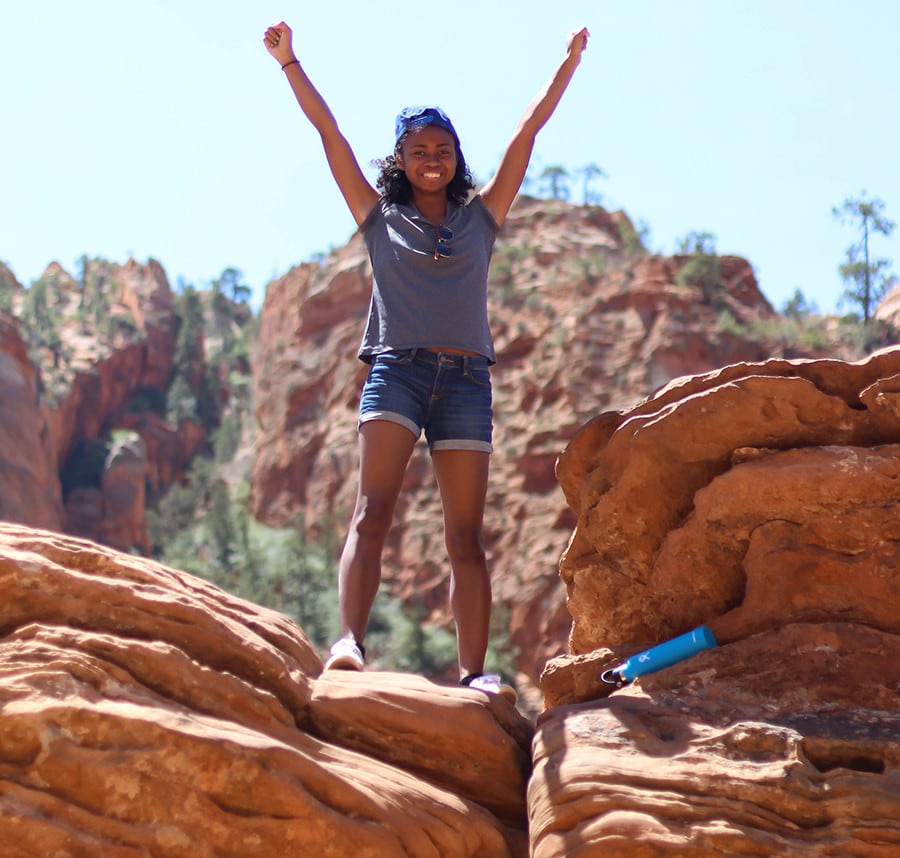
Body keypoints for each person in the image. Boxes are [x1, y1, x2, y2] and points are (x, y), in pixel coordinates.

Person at [263, 20, 588, 702]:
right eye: (419, 150)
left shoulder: (481, 218)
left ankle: (474, 672)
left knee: (466, 537)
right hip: (397, 371)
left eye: (443, 148)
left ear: (456, 157)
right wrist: (291, 63)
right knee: (371, 510)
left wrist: (567, 65)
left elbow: (525, 136)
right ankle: (348, 642)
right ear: (402, 159)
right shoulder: (378, 217)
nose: (432, 158)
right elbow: (332, 137)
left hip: (467, 381)